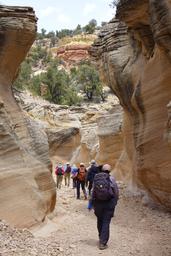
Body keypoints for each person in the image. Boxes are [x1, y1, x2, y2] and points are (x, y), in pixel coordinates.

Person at [88, 164, 119, 250]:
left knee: (99, 220)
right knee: (106, 222)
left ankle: (100, 236)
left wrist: (91, 204)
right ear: (109, 171)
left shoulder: (96, 178)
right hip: (109, 203)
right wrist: (115, 203)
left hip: (98, 203)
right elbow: (116, 192)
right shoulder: (111, 179)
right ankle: (103, 242)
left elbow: (92, 191)